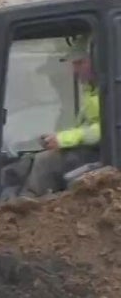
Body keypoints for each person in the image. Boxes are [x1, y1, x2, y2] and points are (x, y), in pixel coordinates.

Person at [16, 36, 101, 198]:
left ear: (97, 61)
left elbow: (106, 128)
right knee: (28, 161)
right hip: (89, 150)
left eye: (79, 63)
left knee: (46, 161)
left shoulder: (111, 90)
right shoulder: (92, 91)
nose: (75, 71)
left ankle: (26, 208)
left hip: (101, 154)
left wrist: (63, 139)